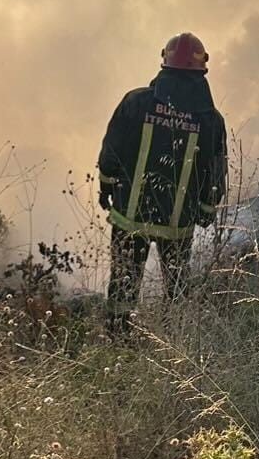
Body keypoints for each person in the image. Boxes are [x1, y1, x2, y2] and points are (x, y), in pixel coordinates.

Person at [97, 32, 228, 334]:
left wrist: (106, 186)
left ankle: (119, 340)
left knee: (123, 285)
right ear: (202, 70)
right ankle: (172, 345)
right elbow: (214, 171)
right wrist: (206, 209)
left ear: (164, 64)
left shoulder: (136, 102)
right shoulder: (211, 120)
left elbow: (110, 152)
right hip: (178, 226)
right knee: (177, 288)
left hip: (130, 220)